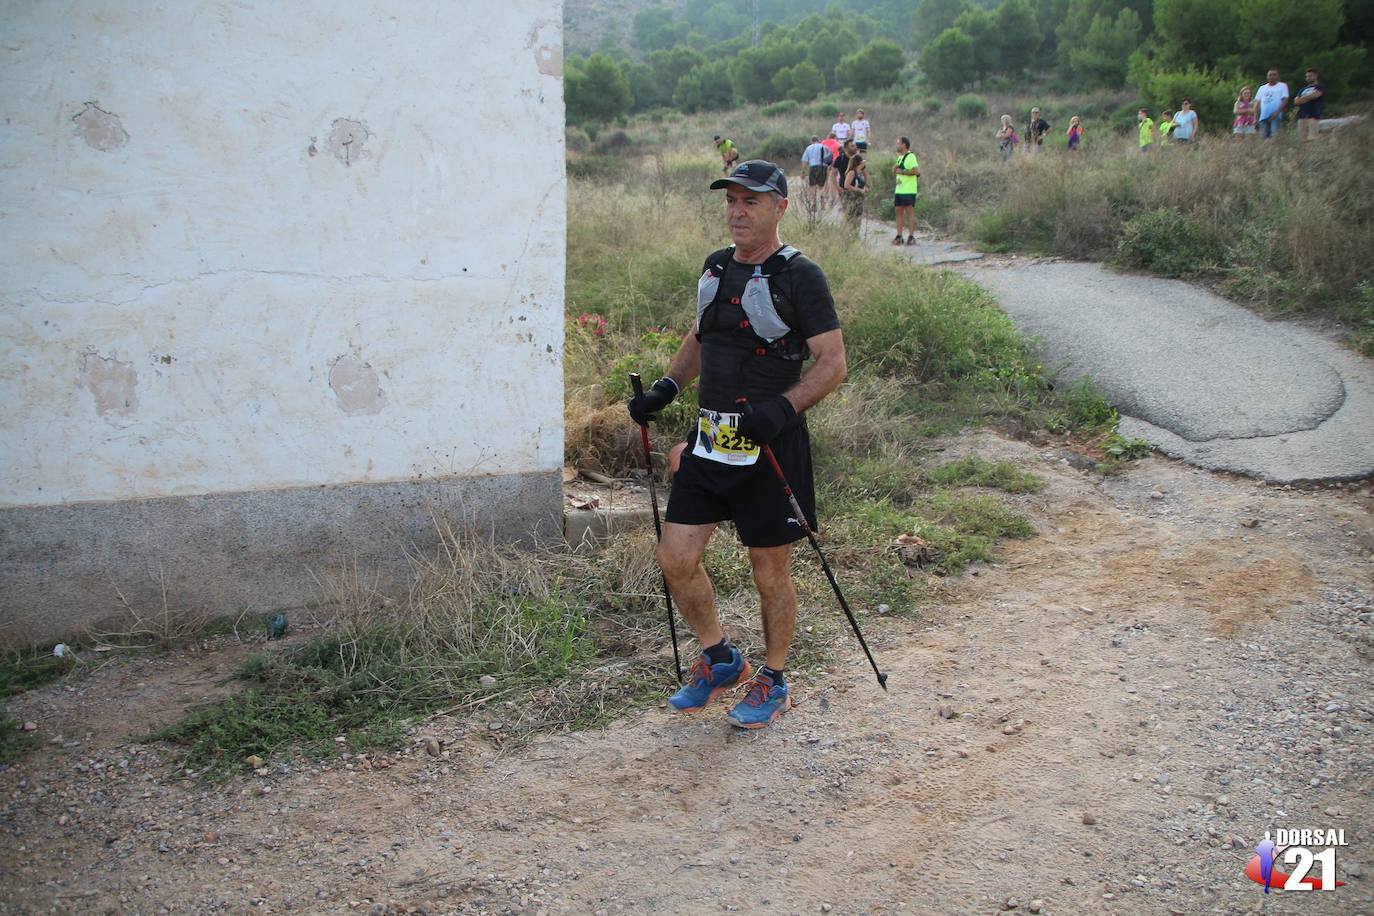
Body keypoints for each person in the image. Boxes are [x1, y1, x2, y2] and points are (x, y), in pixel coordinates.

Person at [626, 159, 848, 729]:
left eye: (751, 201)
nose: (738, 211)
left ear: (780, 206)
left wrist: (782, 407)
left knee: (768, 569)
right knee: (675, 559)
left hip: (770, 448)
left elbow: (832, 363)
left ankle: (772, 679)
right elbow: (702, 336)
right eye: (731, 201)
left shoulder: (802, 276)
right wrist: (667, 387)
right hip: (711, 440)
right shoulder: (716, 267)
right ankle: (721, 658)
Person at [892, 136, 920, 246]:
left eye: (898, 143)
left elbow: (916, 171)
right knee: (898, 211)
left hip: (909, 190)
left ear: (904, 144)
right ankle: (899, 236)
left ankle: (911, 236)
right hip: (899, 189)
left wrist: (902, 172)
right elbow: (896, 171)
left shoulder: (911, 156)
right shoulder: (900, 157)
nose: (897, 145)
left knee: (910, 212)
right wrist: (894, 169)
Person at [1255, 69, 1289, 140]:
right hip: (1263, 116)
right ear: (1267, 76)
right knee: (1263, 137)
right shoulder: (1262, 88)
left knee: (1274, 136)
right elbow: (1257, 102)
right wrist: (1255, 116)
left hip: (1275, 115)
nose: (1272, 77)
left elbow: (1285, 99)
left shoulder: (1282, 86)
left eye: (1274, 75)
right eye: (1270, 75)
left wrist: (1277, 112)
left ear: (1277, 76)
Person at [1293, 68, 1325, 141]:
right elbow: (1296, 101)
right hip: (1302, 116)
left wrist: (1302, 99)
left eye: (1310, 76)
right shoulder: (1302, 89)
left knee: (1313, 138)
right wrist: (1309, 98)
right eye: (1307, 76)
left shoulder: (1320, 86)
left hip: (1313, 115)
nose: (1308, 78)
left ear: (1315, 76)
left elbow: (1316, 95)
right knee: (1301, 139)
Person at [840, 152, 868, 228]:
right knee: (850, 219)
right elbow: (847, 185)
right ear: (859, 163)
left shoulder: (858, 173)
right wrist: (859, 190)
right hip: (851, 199)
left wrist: (864, 188)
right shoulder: (852, 172)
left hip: (858, 200)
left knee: (857, 221)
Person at [800, 135, 829, 201]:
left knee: (812, 185)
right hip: (823, 167)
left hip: (813, 167)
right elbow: (828, 158)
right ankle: (822, 202)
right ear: (818, 140)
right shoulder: (824, 147)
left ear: (811, 141)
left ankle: (813, 202)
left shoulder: (808, 148)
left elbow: (804, 161)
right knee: (821, 186)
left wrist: (803, 172)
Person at [821, 133, 842, 202]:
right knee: (833, 180)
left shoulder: (823, 142)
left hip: (824, 162)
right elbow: (839, 153)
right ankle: (833, 197)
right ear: (835, 137)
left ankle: (826, 195)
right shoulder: (837, 143)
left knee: (825, 180)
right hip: (834, 163)